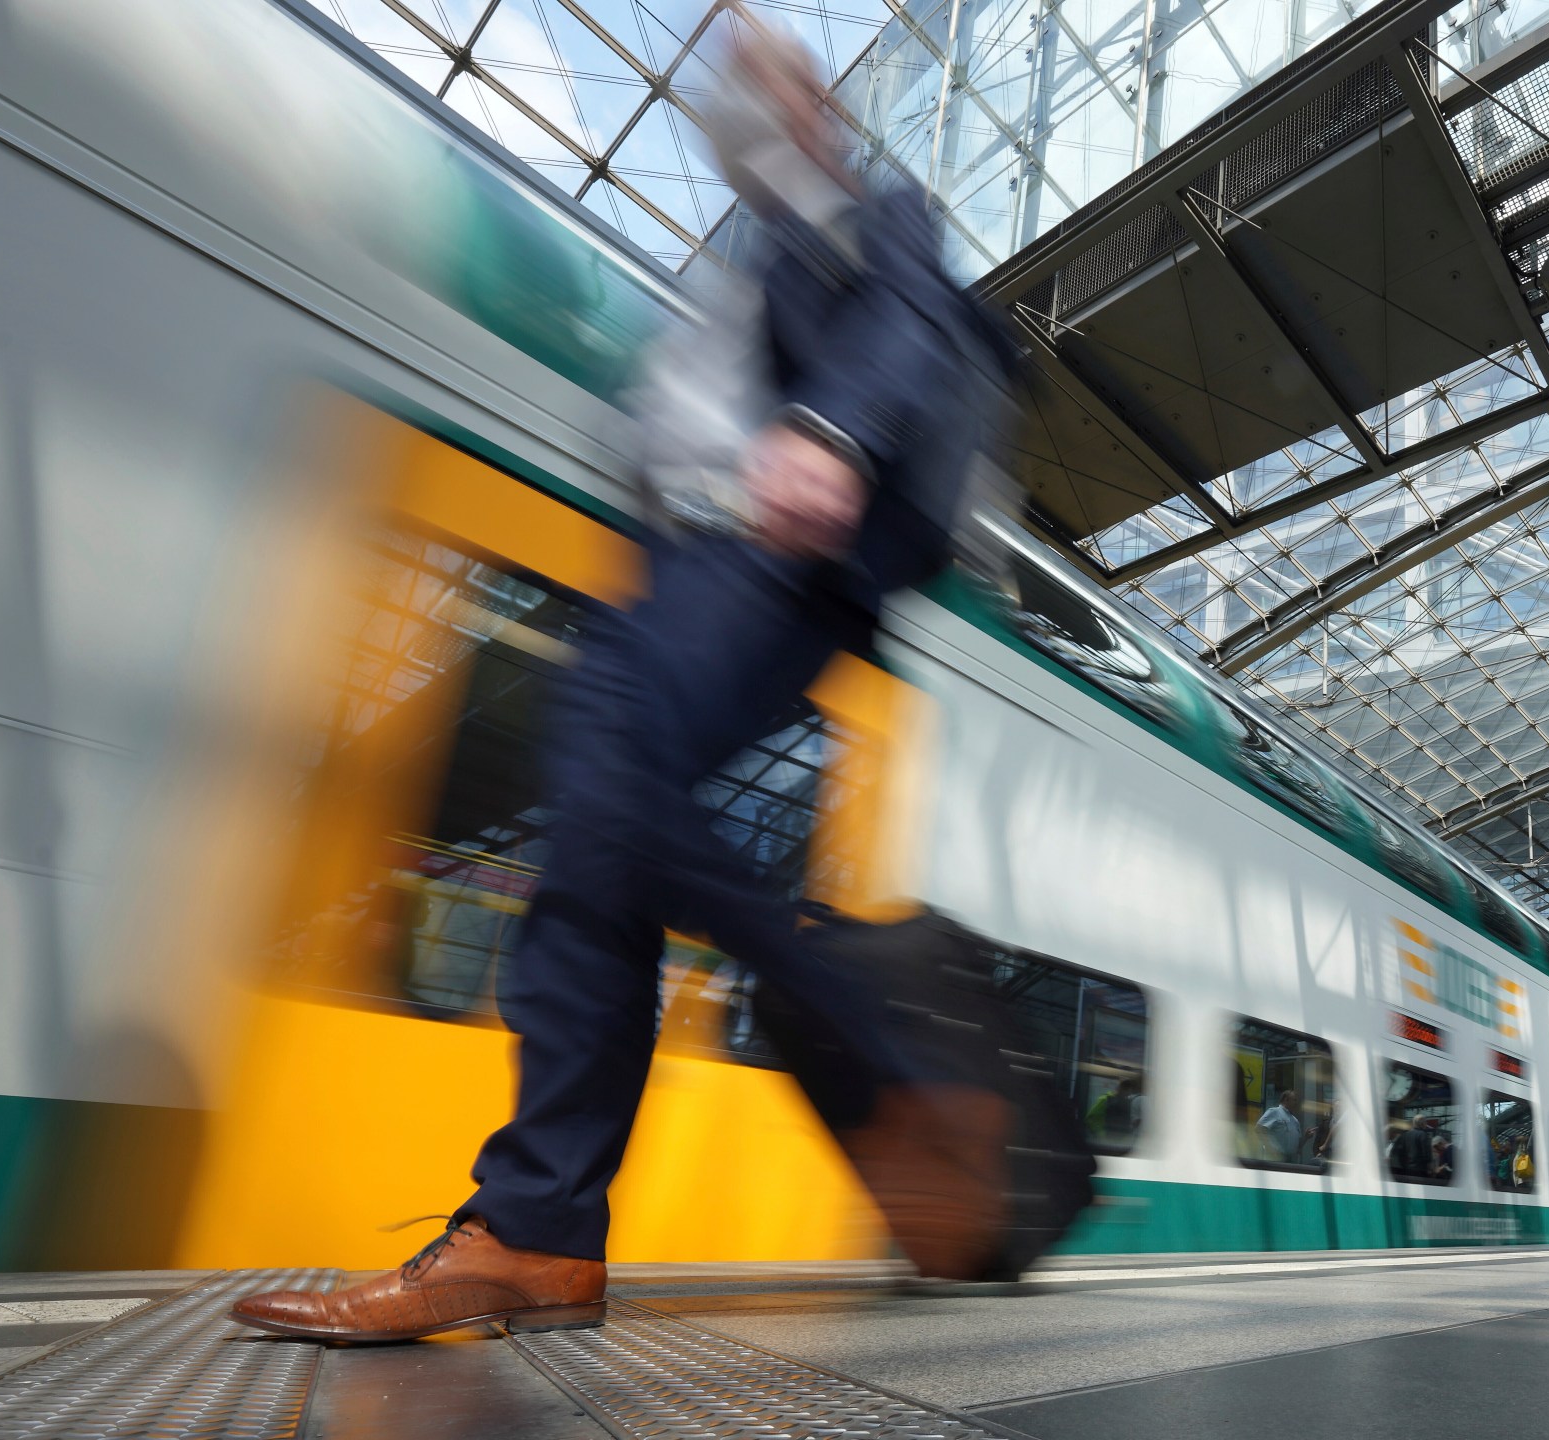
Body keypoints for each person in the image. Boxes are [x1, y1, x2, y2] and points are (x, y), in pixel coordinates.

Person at [228, 24, 1017, 1343]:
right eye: (723, 105)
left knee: (595, 736)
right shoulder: (744, 264)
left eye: (757, 95)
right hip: (687, 567)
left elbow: (910, 324)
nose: (730, 122)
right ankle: (544, 1239)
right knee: (597, 859)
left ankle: (587, 1195)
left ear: (815, 109)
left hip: (785, 555)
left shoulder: (874, 210)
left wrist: (830, 433)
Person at [1258, 1088, 1305, 1162]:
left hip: (1292, 1161)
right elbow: (1259, 1129)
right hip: (1275, 1159)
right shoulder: (1275, 1112)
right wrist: (1271, 1149)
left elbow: (1298, 1146)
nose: (1296, 1103)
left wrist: (1306, 1137)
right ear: (1286, 1099)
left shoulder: (1295, 1121)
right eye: (1294, 1100)